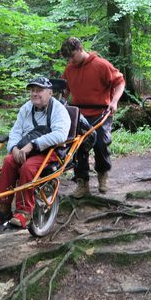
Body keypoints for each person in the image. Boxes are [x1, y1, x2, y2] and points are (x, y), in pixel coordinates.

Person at [0, 77, 70, 227]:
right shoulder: (26, 108)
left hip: (49, 151)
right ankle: (3, 207)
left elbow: (60, 135)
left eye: (39, 90)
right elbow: (16, 131)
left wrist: (33, 145)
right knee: (8, 161)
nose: (35, 94)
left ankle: (24, 211)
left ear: (50, 93)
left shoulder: (59, 110)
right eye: (32, 90)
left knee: (28, 167)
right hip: (24, 148)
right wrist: (14, 148)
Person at [60, 37, 125, 197]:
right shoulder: (69, 69)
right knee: (78, 147)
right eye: (67, 58)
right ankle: (82, 183)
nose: (71, 60)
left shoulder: (101, 65)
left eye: (72, 56)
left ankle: (103, 175)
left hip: (101, 112)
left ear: (81, 49)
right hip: (79, 113)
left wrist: (114, 102)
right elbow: (64, 90)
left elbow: (120, 82)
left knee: (101, 144)